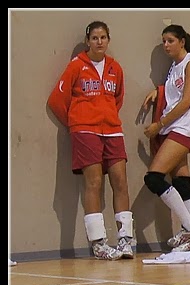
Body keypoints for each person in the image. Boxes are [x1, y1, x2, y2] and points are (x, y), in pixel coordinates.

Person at [47, 21, 135, 260]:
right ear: (88, 41)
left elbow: (118, 98)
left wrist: (106, 117)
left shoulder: (115, 68)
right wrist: (77, 123)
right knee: (93, 183)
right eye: (94, 38)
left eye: (103, 37)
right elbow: (56, 100)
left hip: (112, 130)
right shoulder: (76, 66)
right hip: (85, 130)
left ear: (108, 40)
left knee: (121, 181)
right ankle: (98, 243)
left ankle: (126, 240)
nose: (99, 42)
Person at [141, 24, 190, 252]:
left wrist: (159, 125)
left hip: (185, 127)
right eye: (163, 41)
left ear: (182, 41)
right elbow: (173, 92)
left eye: (170, 40)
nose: (166, 45)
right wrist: (158, 91)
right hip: (176, 127)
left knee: (154, 177)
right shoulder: (174, 67)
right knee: (181, 181)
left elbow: (186, 101)